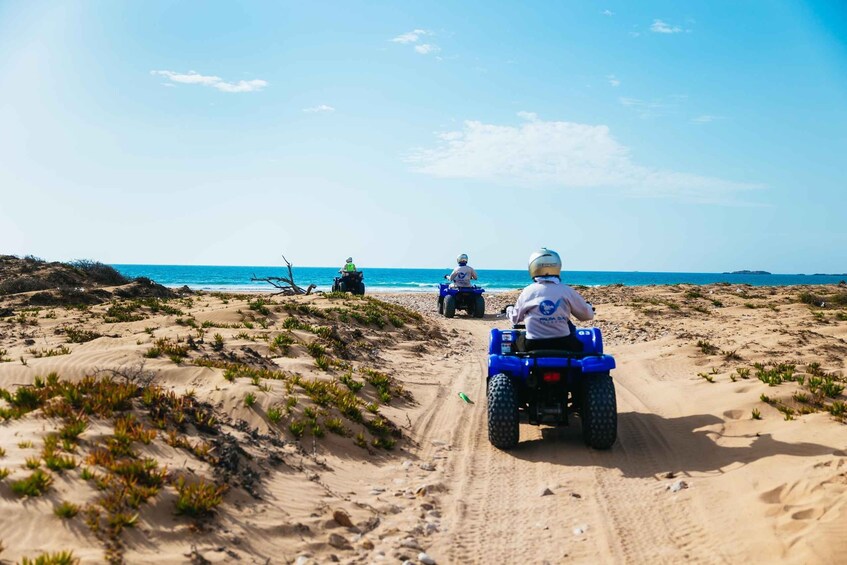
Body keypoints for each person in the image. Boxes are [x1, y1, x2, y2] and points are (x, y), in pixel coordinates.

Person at [507, 248, 594, 352]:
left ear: (533, 267)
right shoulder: (566, 290)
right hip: (564, 344)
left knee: (514, 344)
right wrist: (588, 307)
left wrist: (509, 309)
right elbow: (586, 316)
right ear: (557, 266)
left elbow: (515, 319)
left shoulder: (528, 292)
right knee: (580, 346)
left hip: (534, 344)